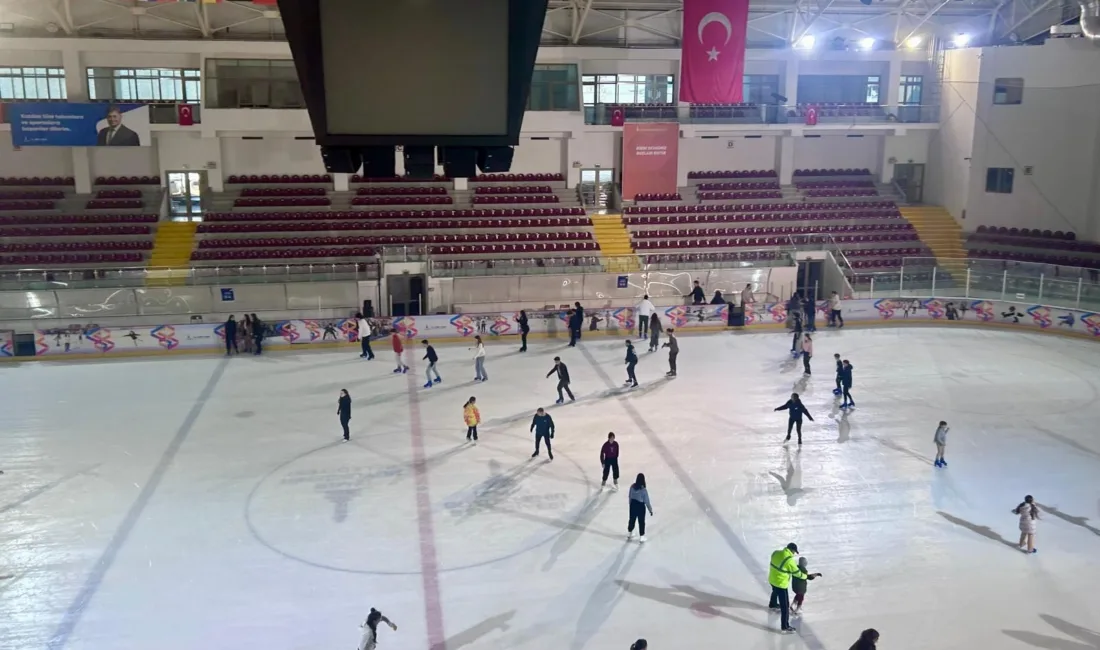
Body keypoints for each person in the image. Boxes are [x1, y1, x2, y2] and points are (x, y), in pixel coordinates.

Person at [768, 542, 807, 633]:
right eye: (794, 552)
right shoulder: (789, 560)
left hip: (772, 579)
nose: (794, 554)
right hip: (781, 584)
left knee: (774, 591)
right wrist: (805, 576)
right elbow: (797, 573)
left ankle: (772, 604)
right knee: (785, 606)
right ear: (792, 550)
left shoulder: (776, 553)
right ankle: (785, 626)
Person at [627, 473, 653, 542]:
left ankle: (630, 532)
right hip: (640, 506)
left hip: (633, 505)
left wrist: (630, 504)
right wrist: (650, 510)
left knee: (632, 519)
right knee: (641, 521)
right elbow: (647, 501)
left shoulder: (632, 487)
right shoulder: (643, 490)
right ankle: (642, 536)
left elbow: (630, 496)